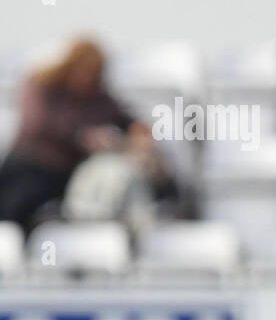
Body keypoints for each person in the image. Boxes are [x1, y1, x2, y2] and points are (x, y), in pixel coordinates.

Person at [0, 38, 163, 232]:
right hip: (28, 168)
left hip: (63, 176)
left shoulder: (97, 97)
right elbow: (38, 123)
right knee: (15, 207)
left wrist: (139, 132)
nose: (87, 78)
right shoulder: (42, 86)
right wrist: (82, 137)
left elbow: (126, 119)